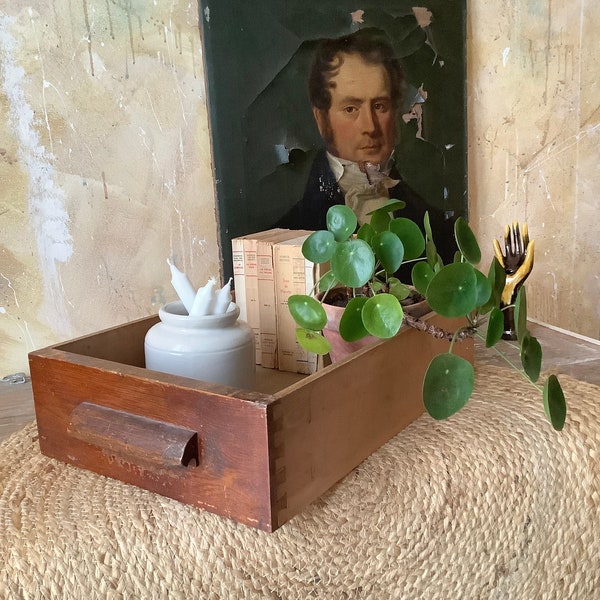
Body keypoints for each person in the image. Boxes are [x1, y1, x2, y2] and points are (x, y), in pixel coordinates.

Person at [273, 28, 456, 264]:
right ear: (322, 120)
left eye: (380, 106)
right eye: (351, 109)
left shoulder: (437, 224)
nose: (369, 126)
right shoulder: (290, 230)